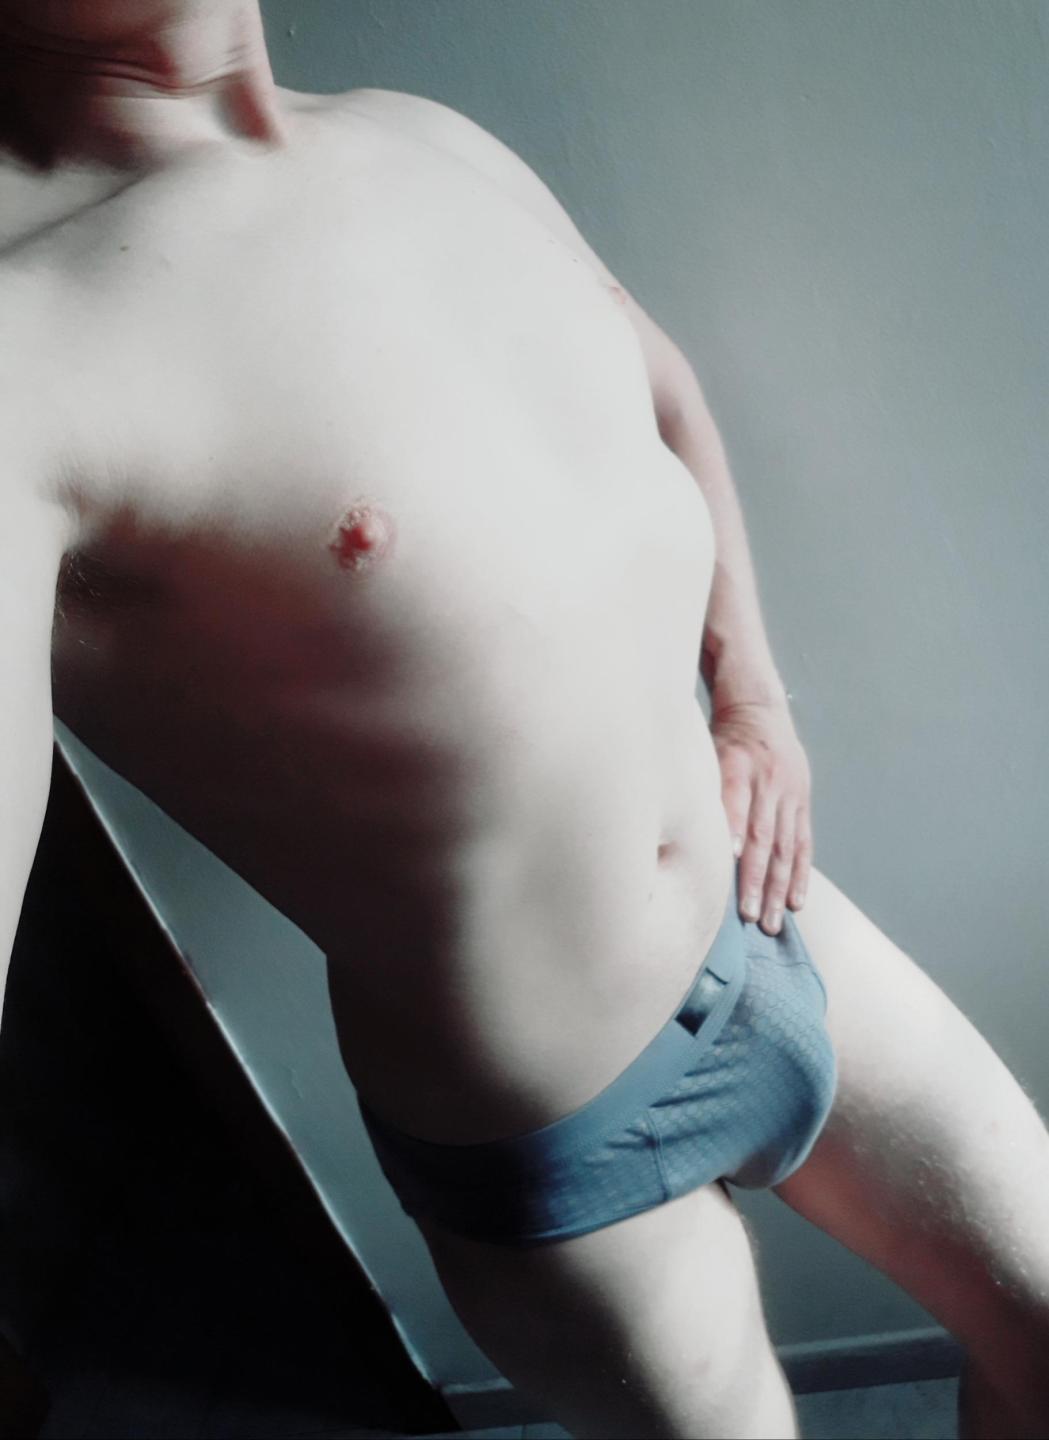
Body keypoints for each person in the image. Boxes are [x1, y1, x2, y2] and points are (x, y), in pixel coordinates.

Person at [1, 5, 1047, 1437]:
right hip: (568, 1141)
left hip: (780, 922)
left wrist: (751, 692)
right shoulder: (27, 347)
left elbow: (661, 387)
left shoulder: (418, 133)